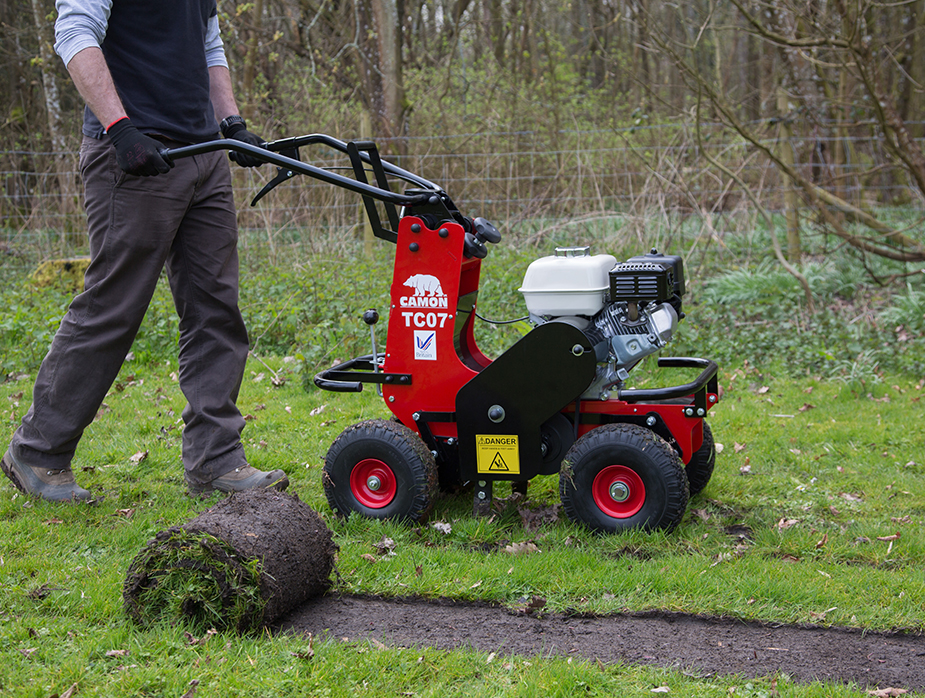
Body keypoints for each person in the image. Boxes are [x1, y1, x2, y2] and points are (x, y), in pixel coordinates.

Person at [0, 0, 289, 502]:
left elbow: (208, 44)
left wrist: (231, 122)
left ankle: (215, 459)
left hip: (202, 153)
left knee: (215, 306)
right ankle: (39, 451)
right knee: (113, 306)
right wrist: (120, 129)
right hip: (134, 155)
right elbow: (74, 34)